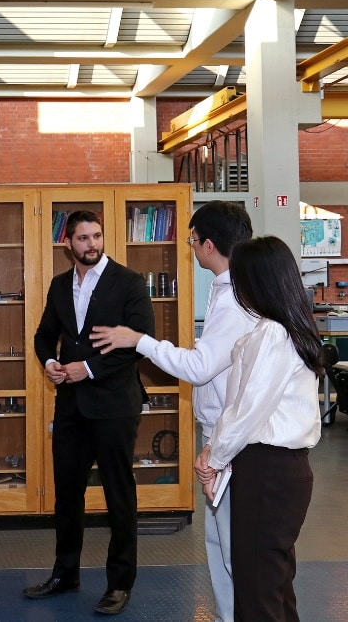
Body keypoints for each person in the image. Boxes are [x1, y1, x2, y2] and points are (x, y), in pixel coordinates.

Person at [89, 200, 256, 622]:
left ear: (209, 244)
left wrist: (137, 339)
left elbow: (199, 367)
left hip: (232, 438)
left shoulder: (236, 298)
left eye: (192, 240)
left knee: (235, 547)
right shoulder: (228, 288)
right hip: (221, 432)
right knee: (220, 544)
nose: (190, 247)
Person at [26, 210, 155, 616]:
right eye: (83, 238)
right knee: (67, 496)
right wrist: (50, 363)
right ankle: (66, 574)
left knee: (119, 496)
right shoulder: (60, 286)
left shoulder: (129, 283)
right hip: (70, 407)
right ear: (68, 244)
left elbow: (140, 343)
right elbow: (45, 335)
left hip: (115, 405)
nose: (92, 244)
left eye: (97, 236)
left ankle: (120, 584)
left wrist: (90, 369)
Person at [195, 236, 322, 622]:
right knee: (272, 585)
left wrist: (212, 457)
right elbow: (240, 403)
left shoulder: (274, 334)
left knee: (257, 590)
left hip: (268, 468)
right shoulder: (275, 330)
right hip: (273, 470)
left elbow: (247, 410)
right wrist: (214, 451)